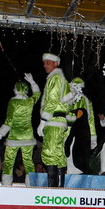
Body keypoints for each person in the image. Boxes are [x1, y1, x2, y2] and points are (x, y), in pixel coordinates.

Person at [38, 53, 74, 187]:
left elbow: (52, 101)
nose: (45, 65)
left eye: (48, 62)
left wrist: (43, 120)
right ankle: (59, 187)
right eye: (44, 62)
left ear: (56, 63)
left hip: (53, 121)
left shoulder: (56, 78)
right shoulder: (61, 79)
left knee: (50, 152)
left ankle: (52, 188)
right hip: (59, 121)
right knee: (58, 154)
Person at [0, 73, 41, 186]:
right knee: (28, 162)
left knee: (9, 162)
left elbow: (9, 120)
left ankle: (6, 185)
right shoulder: (29, 102)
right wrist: (32, 82)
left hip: (14, 137)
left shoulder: (13, 102)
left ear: (15, 90)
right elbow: (37, 94)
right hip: (28, 137)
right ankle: (31, 185)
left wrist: (0, 133)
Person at [68, 77, 97, 149]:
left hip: (79, 134)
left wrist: (92, 137)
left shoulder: (86, 101)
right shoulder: (67, 99)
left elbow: (90, 119)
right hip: (68, 133)